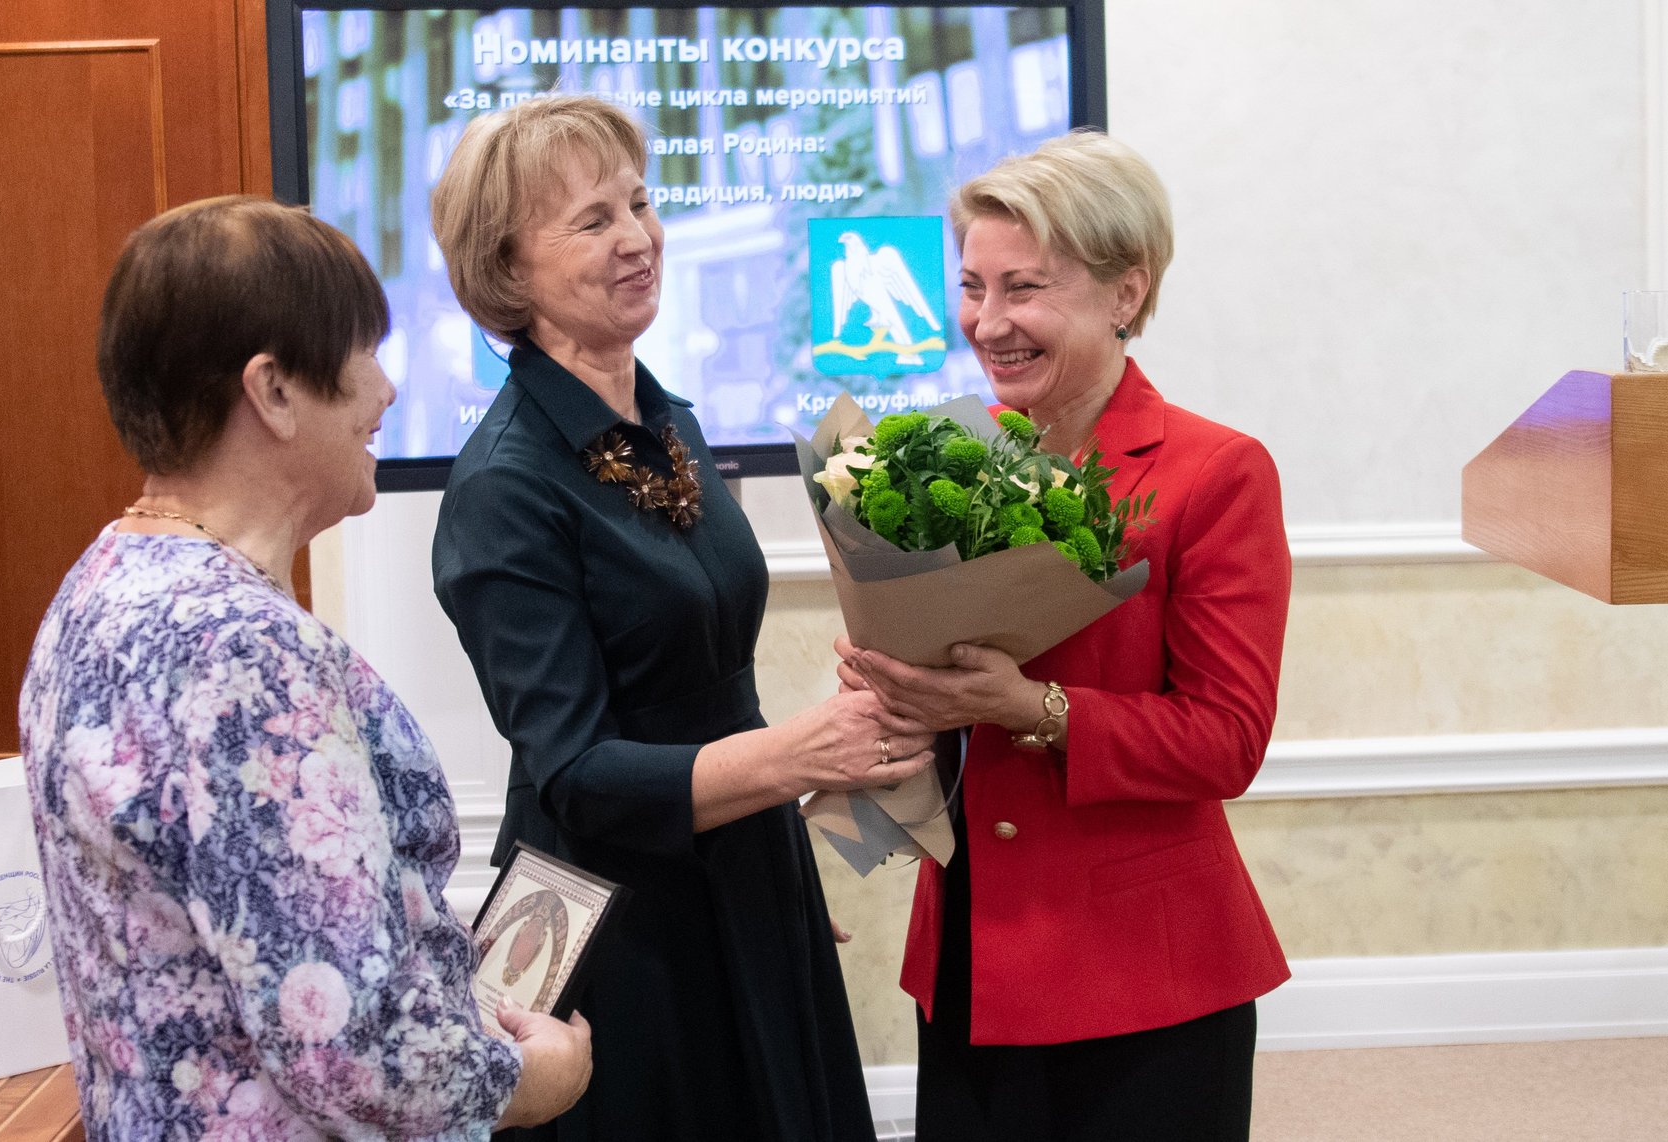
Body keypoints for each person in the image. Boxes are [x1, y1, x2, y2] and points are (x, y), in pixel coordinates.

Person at [18, 196, 591, 1141]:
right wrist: (532, 1077)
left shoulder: (98, 587)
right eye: (366, 353)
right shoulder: (237, 651)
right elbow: (350, 1042)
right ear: (274, 390)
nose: (387, 393)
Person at [428, 93, 935, 1142]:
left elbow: (708, 681)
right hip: (615, 920)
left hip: (737, 859)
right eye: (591, 220)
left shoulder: (668, 423)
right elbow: (573, 771)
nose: (638, 238)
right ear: (508, 270)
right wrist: (801, 751)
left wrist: (776, 845)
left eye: (640, 203)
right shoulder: (502, 482)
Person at [838, 131, 1292, 1141]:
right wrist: (891, 687)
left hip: (1142, 976)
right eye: (971, 286)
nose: (985, 323)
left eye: (1023, 289)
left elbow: (1226, 738)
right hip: (969, 954)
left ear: (1123, 293)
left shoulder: (1215, 473)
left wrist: (1028, 708)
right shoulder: (954, 455)